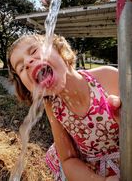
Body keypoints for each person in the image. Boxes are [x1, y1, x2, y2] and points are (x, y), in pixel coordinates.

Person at [7, 33, 120, 181]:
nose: (28, 62)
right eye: (21, 68)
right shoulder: (52, 105)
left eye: (34, 51)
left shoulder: (108, 76)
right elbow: (68, 158)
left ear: (59, 49)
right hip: (88, 172)